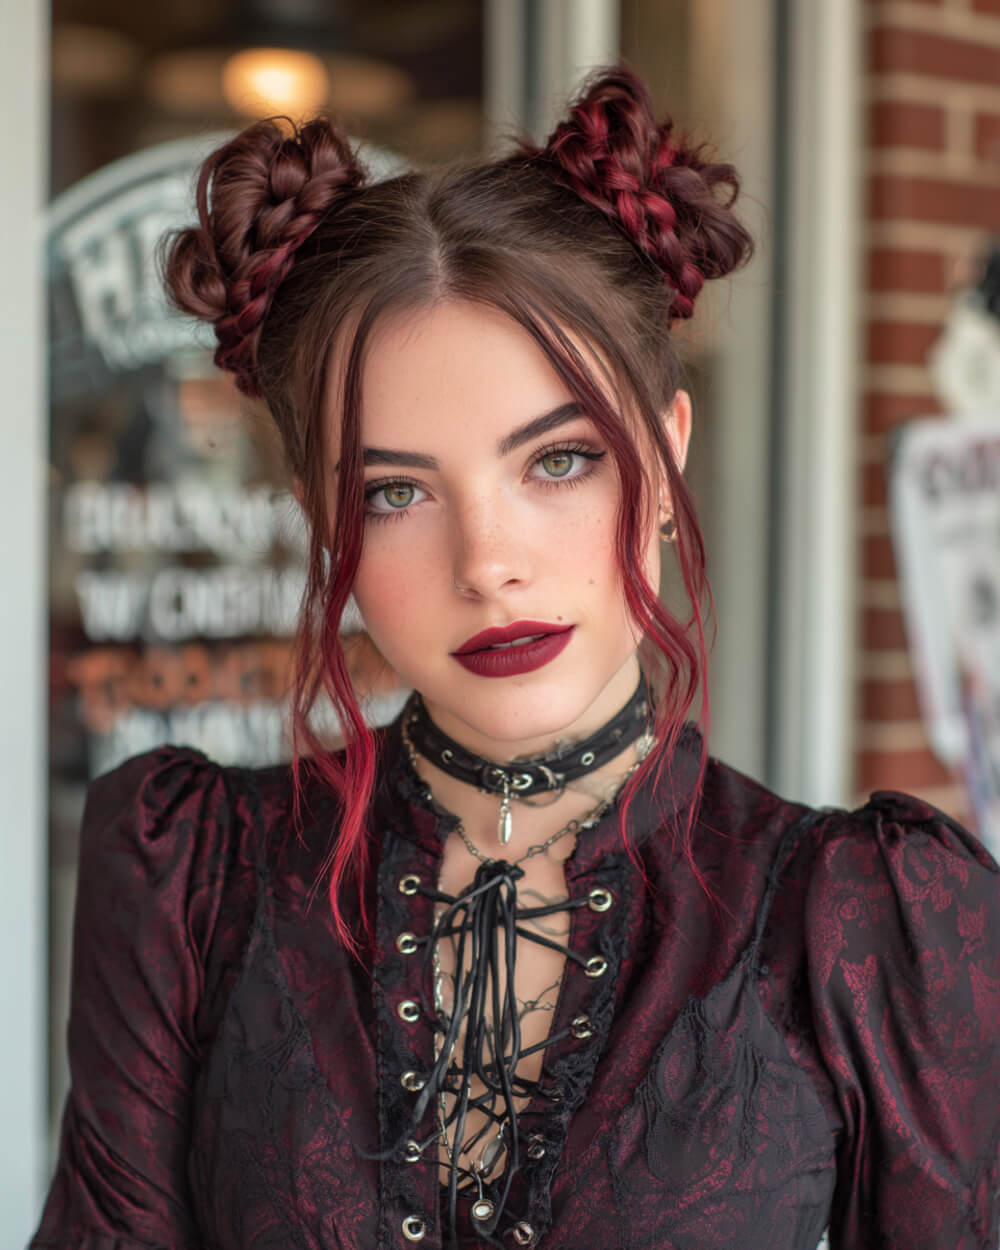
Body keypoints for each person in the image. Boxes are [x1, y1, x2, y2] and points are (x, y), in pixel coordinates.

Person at [31, 67, 1000, 1250]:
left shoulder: (857, 917)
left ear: (664, 450)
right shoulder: (189, 877)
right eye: (394, 492)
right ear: (321, 517)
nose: (486, 561)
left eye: (556, 461)